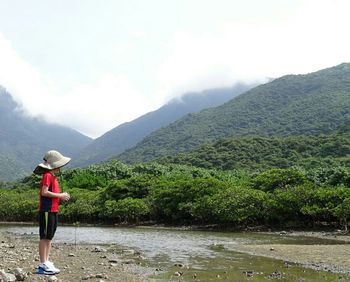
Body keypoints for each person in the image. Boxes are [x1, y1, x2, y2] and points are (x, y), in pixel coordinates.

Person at [33, 150, 71, 275]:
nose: (61, 167)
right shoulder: (48, 175)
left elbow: (50, 193)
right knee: (44, 236)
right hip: (47, 210)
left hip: (53, 210)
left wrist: (60, 197)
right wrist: (60, 195)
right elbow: (44, 192)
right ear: (55, 165)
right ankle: (43, 264)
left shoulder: (52, 176)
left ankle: (47, 261)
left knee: (49, 236)